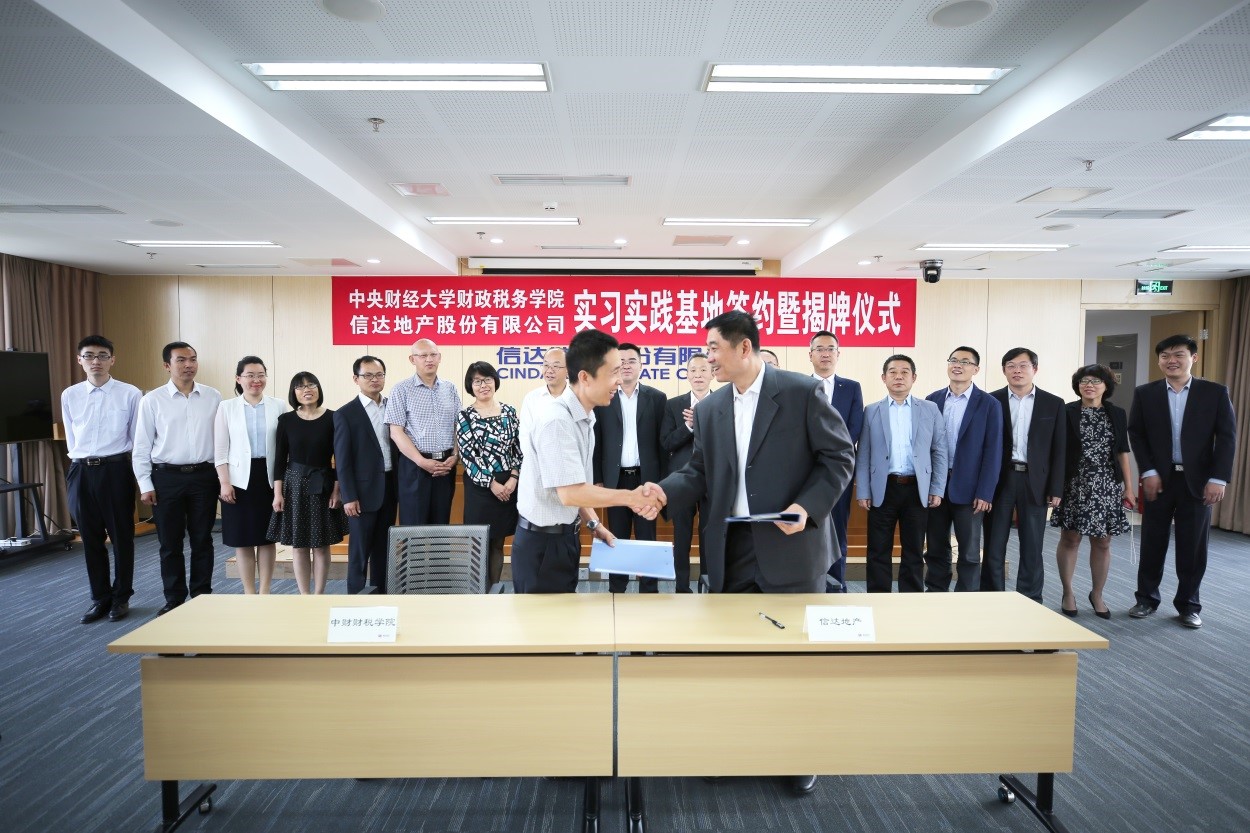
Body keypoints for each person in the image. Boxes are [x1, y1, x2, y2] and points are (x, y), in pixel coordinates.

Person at [650, 310, 854, 796]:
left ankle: (797, 752)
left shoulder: (801, 392)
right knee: (732, 656)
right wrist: (661, 492)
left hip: (791, 544)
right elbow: (699, 471)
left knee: (794, 657)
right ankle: (733, 746)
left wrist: (807, 506)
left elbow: (839, 456)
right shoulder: (711, 408)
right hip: (732, 546)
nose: (708, 358)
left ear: (744, 348)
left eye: (714, 348)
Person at [513, 329, 662, 594]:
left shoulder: (585, 417)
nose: (619, 380)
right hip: (542, 546)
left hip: (565, 537)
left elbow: (575, 484)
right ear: (585, 377)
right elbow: (571, 493)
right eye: (613, 373)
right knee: (541, 619)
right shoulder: (558, 421)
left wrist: (595, 524)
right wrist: (632, 497)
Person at [1128, 334, 1236, 629]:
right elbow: (1137, 434)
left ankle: (1189, 604)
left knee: (1193, 546)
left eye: (1178, 354)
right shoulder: (1146, 393)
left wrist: (1218, 478)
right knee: (1153, 542)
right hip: (1158, 480)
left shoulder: (1214, 393)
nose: (1171, 361)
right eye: (1164, 356)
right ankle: (1146, 599)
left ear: (1193, 358)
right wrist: (1148, 471)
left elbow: (1227, 438)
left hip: (1199, 482)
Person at [133, 341, 222, 616]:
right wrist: (145, 484)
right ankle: (174, 598)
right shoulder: (152, 400)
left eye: (193, 359)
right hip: (166, 478)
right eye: (181, 360)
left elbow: (222, 440)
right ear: (167, 365)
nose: (188, 365)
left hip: (204, 476)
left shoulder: (213, 396)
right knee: (170, 543)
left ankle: (202, 595)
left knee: (202, 540)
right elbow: (141, 446)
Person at [62, 335, 141, 623]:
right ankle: (100, 598)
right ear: (79, 360)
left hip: (115, 469)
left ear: (112, 360)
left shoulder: (130, 393)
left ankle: (121, 597)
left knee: (121, 537)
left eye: (102, 355)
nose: (96, 361)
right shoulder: (70, 395)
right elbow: (71, 437)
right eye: (89, 355)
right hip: (81, 470)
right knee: (90, 538)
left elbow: (136, 438)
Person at [856, 355, 947, 593]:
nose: (899, 377)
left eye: (905, 372)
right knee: (878, 549)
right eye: (893, 372)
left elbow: (939, 450)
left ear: (914, 378)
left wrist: (937, 488)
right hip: (883, 488)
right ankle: (878, 598)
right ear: (883, 378)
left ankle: (911, 599)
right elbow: (863, 453)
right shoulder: (871, 411)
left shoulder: (929, 409)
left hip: (917, 489)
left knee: (914, 549)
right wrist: (863, 490)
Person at [982, 347, 1066, 603]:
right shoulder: (991, 400)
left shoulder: (1053, 403)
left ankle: (1030, 599)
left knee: (1032, 545)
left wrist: (1056, 488)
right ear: (1004, 370)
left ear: (1034, 369)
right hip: (1000, 480)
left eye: (1023, 366)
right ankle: (992, 598)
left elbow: (1059, 449)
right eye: (1011, 366)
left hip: (1035, 481)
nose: (1016, 370)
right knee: (994, 544)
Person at [1051, 364, 1133, 619]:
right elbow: (1057, 451)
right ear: (1077, 386)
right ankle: (1068, 592)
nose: (1089, 385)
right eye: (1084, 381)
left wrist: (1129, 488)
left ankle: (1097, 594)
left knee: (1103, 542)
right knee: (1070, 539)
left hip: (1107, 484)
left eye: (1096, 381)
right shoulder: (1066, 411)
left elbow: (1122, 451)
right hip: (1074, 484)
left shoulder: (1116, 414)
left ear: (1106, 386)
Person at [923, 347, 1002, 592]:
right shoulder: (932, 399)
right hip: (936, 485)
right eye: (954, 360)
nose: (958, 365)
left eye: (965, 362)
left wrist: (985, 492)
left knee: (968, 551)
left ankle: (967, 597)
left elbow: (993, 450)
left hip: (970, 488)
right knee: (935, 546)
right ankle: (936, 592)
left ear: (976, 369)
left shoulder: (989, 404)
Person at [593, 343, 667, 593]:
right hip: (615, 480)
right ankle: (617, 590)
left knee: (647, 537)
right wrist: (598, 478)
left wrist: (663, 481)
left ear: (641, 365)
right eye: (621, 361)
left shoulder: (656, 398)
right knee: (617, 536)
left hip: (646, 481)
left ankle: (649, 590)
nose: (626, 365)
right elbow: (597, 441)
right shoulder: (604, 397)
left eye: (631, 361)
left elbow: (662, 443)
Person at [267, 372, 349, 595]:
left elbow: (340, 458)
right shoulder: (286, 420)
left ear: (318, 388)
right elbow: (279, 460)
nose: (307, 390)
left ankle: (319, 593)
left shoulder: (333, 418)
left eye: (311, 385)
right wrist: (277, 494)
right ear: (294, 393)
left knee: (321, 544)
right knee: (299, 545)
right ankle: (304, 595)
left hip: (323, 484)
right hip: (294, 486)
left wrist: (337, 490)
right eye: (300, 387)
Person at [213, 356, 287, 594]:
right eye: (250, 375)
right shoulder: (226, 407)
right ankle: (248, 591)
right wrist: (224, 482)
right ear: (238, 378)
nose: (256, 380)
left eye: (261, 375)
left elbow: (284, 447)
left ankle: (264, 590)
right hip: (238, 480)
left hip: (269, 478)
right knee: (242, 539)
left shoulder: (279, 405)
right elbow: (220, 450)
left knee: (267, 538)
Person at [334, 356, 399, 595]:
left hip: (390, 486)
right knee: (360, 550)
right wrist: (348, 496)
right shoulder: (345, 414)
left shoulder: (393, 406)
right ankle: (355, 597)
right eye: (368, 375)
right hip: (361, 493)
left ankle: (381, 594)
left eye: (379, 374)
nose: (374, 379)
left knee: (384, 548)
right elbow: (342, 460)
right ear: (356, 379)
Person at [457, 361, 522, 590]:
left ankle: (494, 590)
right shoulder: (465, 416)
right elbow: (467, 456)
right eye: (477, 381)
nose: (483, 385)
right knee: (479, 544)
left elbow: (518, 448)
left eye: (487, 379)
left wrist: (514, 477)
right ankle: (479, 593)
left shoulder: (509, 412)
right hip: (480, 487)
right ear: (470, 385)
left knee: (497, 543)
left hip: (508, 484)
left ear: (495, 381)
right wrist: (491, 483)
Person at [808, 330, 863, 592]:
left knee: (838, 531)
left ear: (838, 354)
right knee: (808, 531)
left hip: (839, 473)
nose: (825, 353)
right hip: (806, 473)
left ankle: (837, 587)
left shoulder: (851, 388)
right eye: (820, 349)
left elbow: (854, 429)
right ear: (810, 355)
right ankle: (810, 585)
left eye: (830, 348)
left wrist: (832, 457)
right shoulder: (799, 386)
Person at [386, 338, 460, 525]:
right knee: (413, 526)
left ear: (440, 357)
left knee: (441, 524)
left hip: (445, 465)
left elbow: (458, 426)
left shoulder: (450, 388)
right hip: (414, 466)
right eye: (423, 355)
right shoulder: (401, 390)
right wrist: (421, 461)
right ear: (412, 359)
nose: (429, 359)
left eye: (433, 355)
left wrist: (455, 455)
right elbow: (396, 432)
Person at [660, 352, 713, 592]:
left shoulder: (722, 401)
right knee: (681, 537)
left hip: (712, 479)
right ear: (687, 375)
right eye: (693, 371)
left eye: (703, 370)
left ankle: (708, 585)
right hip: (682, 480)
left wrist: (704, 422)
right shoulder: (674, 404)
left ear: (712, 374)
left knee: (709, 536)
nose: (698, 375)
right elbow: (667, 442)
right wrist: (689, 425)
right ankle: (681, 587)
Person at [519, 347, 569, 444]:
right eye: (546, 365)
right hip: (539, 454)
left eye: (556, 366)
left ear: (568, 369)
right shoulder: (532, 398)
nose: (549, 370)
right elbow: (525, 436)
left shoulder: (578, 397)